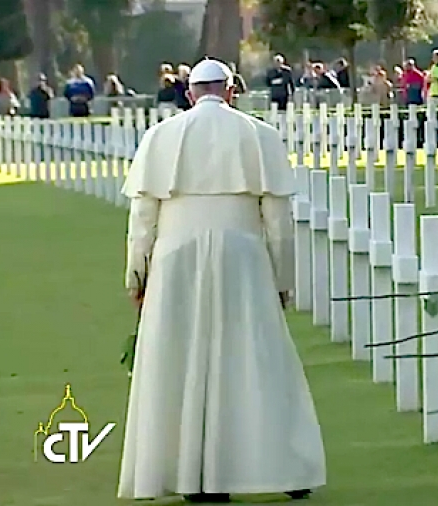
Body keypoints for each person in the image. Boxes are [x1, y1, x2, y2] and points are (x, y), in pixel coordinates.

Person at [117, 58, 326, 504]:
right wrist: (281, 278)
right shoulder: (258, 135)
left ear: (190, 93)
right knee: (257, 358)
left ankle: (193, 476)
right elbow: (278, 221)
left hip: (176, 257)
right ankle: (284, 468)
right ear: (232, 91)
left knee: (181, 357)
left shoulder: (161, 136)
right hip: (244, 255)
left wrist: (137, 272)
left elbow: (143, 217)